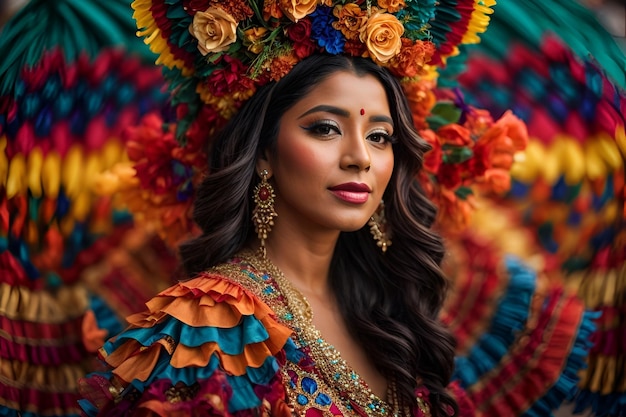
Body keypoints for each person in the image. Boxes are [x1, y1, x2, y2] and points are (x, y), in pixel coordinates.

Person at [77, 0, 505, 416]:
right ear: (263, 150)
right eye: (325, 129)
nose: (361, 157)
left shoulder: (391, 313)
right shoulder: (209, 325)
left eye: (379, 136)